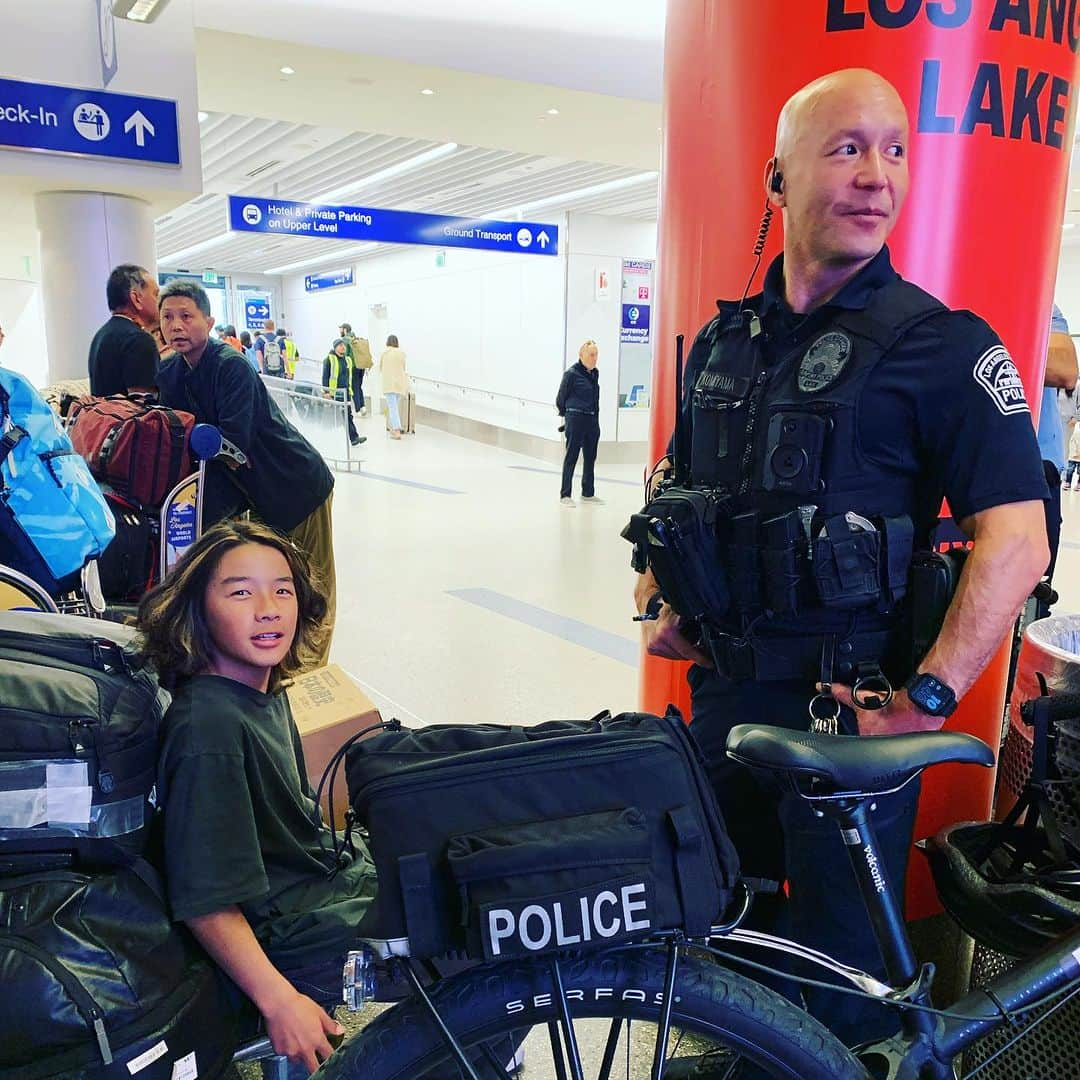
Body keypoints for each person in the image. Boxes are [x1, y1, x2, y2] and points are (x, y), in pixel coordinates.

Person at [632, 68, 1049, 1050]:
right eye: (847, 148)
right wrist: (667, 589)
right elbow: (682, 483)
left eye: (895, 150)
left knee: (840, 985)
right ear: (777, 180)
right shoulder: (724, 346)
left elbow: (1017, 539)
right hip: (725, 706)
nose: (877, 176)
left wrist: (928, 700)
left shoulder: (941, 347)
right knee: (720, 958)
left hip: (849, 726)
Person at [141, 519, 376, 1075]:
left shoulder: (255, 693)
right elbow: (206, 900)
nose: (269, 608)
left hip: (314, 882)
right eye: (241, 591)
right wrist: (278, 1000)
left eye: (284, 589)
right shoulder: (211, 730)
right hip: (285, 925)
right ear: (196, 609)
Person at [155, 281, 337, 667]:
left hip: (297, 485)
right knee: (272, 586)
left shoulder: (230, 365)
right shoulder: (171, 371)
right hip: (255, 499)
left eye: (187, 316)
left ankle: (312, 678)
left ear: (209, 320)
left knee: (311, 588)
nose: (176, 326)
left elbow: (228, 445)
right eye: (167, 317)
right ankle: (278, 666)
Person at [1035, 304, 1077, 579]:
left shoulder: (1041, 300)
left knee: (1034, 593)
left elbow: (1064, 368)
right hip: (952, 460)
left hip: (1036, 464)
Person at [87, 264, 161, 396]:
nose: (160, 302)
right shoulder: (139, 340)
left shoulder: (100, 335)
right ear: (136, 298)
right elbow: (144, 407)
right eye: (156, 294)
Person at [556, 340, 602, 506]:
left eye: (596, 354)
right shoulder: (571, 374)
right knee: (572, 456)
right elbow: (560, 399)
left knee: (590, 457)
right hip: (576, 418)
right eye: (591, 354)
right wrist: (568, 416)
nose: (594, 358)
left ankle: (588, 493)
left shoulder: (594, 373)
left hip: (591, 420)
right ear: (581, 355)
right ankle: (565, 494)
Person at [323, 338, 364, 447]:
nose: (343, 347)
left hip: (345, 393)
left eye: (343, 345)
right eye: (340, 345)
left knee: (347, 416)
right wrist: (326, 392)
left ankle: (354, 438)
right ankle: (331, 439)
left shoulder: (348, 360)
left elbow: (349, 377)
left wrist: (351, 392)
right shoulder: (329, 359)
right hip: (334, 394)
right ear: (335, 347)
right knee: (335, 417)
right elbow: (325, 376)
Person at [378, 334, 409, 439]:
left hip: (389, 385)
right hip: (400, 385)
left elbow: (381, 368)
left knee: (393, 408)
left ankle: (396, 431)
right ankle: (393, 429)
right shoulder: (401, 354)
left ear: (387, 342)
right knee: (394, 407)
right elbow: (404, 368)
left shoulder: (384, 353)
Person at [339, 323, 372, 416]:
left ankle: (358, 410)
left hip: (352, 367)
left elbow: (345, 354)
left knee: (353, 388)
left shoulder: (345, 340)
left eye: (341, 329)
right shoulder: (355, 338)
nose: (340, 331)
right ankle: (363, 407)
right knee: (358, 387)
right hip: (361, 366)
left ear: (345, 330)